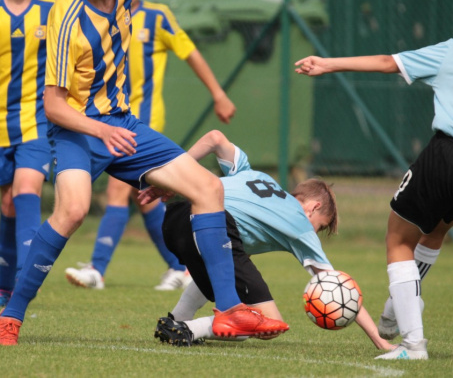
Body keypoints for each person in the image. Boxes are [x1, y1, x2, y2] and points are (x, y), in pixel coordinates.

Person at [0, 0, 288, 346]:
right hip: (79, 131)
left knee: (209, 188)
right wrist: (100, 129)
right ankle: (11, 315)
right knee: (73, 211)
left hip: (124, 125)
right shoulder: (65, 19)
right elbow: (55, 105)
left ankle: (229, 310)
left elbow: (141, 1)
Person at [64, 0, 236, 292]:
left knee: (118, 189)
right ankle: (180, 267)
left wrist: (218, 94)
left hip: (141, 119)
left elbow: (190, 53)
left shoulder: (157, 17)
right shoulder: (95, 14)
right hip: (105, 117)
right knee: (146, 200)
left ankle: (97, 269)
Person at [295, 36, 453, 360]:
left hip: (451, 152)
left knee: (399, 238)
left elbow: (387, 62)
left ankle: (413, 345)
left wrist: (327, 64)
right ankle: (397, 307)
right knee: (436, 228)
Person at [143, 129, 394, 350]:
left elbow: (215, 138)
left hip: (176, 219)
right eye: (319, 226)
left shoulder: (257, 176)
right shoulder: (300, 224)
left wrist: (173, 177)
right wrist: (379, 340)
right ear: (313, 207)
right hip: (216, 226)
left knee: (224, 262)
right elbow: (339, 286)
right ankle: (188, 329)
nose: (314, 233)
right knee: (267, 322)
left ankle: (177, 320)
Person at [0, 0, 56, 307]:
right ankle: (5, 286)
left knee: (26, 190)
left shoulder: (54, 12)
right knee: (7, 205)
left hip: (36, 124)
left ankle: (23, 283)